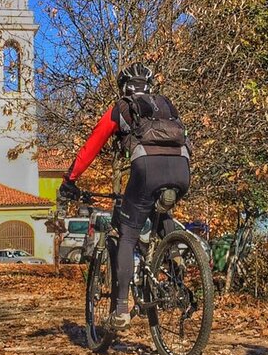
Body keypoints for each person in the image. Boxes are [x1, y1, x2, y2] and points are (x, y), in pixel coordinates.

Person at [57, 63, 191, 329]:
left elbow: (91, 146)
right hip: (181, 169)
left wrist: (69, 180)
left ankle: (120, 308)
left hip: (146, 170)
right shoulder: (166, 105)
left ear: (124, 88)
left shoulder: (121, 108)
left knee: (128, 234)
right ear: (150, 87)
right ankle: (175, 264)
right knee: (161, 210)